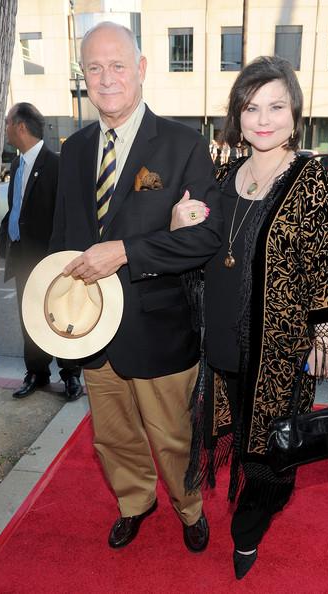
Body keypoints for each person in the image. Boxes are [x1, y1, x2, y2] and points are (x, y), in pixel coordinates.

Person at [172, 56, 328, 579]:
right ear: (237, 115)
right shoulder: (226, 177)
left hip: (280, 350)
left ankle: (249, 529)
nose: (264, 118)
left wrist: (324, 339)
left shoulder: (312, 183)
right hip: (223, 346)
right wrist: (177, 222)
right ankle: (254, 502)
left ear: (295, 112)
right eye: (251, 107)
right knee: (239, 431)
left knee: (269, 450)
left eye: (276, 105)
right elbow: (201, 252)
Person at [48, 22, 222, 553]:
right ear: (83, 77)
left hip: (160, 328)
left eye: (117, 65)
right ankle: (134, 502)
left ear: (141, 69)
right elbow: (62, 237)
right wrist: (56, 315)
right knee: (113, 437)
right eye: (94, 68)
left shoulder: (184, 145)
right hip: (92, 330)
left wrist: (126, 251)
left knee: (173, 437)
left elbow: (206, 238)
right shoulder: (74, 149)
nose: (106, 79)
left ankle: (189, 508)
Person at [0, 103, 83, 402]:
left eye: (7, 122)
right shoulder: (18, 165)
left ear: (21, 127)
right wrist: (0, 248)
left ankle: (70, 375)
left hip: (52, 261)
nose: (4, 127)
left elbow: (70, 215)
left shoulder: (57, 165)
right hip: (23, 259)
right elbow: (15, 212)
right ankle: (37, 372)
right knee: (30, 319)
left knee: (58, 318)